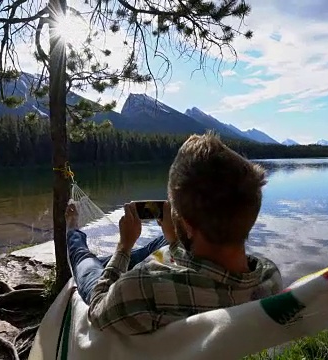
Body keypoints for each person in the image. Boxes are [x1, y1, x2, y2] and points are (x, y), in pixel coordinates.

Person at [66, 132, 283, 335]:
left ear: (188, 225)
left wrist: (123, 247)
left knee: (85, 261)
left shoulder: (144, 288)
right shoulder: (270, 278)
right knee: (161, 241)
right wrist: (174, 238)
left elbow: (97, 311)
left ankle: (73, 230)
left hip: (103, 287)